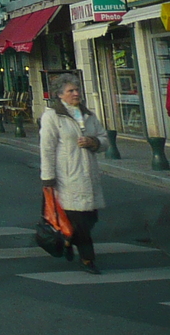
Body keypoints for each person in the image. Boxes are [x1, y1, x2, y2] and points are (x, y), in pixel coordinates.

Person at [40, 74, 107, 274]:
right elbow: (47, 148)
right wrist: (48, 178)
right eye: (71, 91)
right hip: (67, 177)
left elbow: (105, 139)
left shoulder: (88, 114)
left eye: (77, 90)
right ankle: (88, 260)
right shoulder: (52, 116)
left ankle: (68, 241)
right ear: (60, 95)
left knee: (91, 218)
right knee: (80, 222)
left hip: (89, 176)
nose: (76, 94)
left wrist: (94, 142)